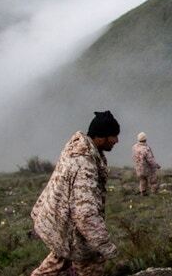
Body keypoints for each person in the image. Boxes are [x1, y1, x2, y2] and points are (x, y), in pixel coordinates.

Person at [30, 111, 120, 276]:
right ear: (101, 136)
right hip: (70, 228)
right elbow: (85, 214)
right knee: (92, 263)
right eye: (113, 136)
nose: (116, 141)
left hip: (61, 223)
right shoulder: (84, 163)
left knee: (58, 261)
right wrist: (105, 246)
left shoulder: (79, 149)